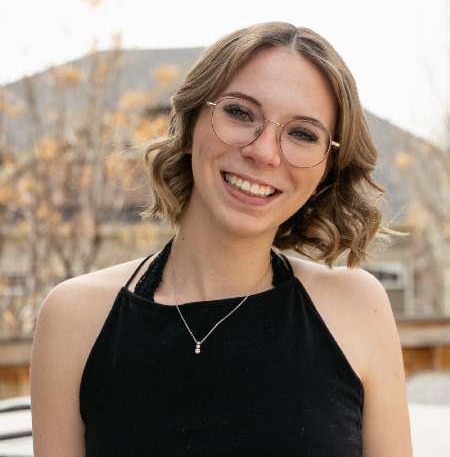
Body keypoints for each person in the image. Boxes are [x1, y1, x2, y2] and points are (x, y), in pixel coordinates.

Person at [30, 22, 412, 456]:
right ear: (190, 124)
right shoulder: (75, 318)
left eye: (303, 134)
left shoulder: (358, 309)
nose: (263, 152)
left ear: (326, 170)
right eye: (240, 113)